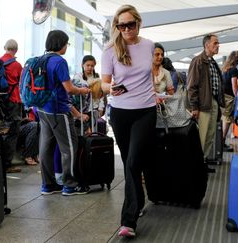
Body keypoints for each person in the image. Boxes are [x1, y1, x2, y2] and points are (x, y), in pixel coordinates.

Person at [101, 5, 156, 238]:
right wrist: (110, 87)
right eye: (121, 25)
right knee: (129, 162)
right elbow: (103, 83)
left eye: (130, 24)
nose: (126, 29)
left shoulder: (149, 45)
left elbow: (149, 76)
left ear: (138, 23)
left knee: (133, 162)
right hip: (120, 113)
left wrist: (156, 94)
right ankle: (138, 199)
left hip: (145, 110)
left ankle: (128, 221)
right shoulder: (110, 50)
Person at [38, 30, 91, 196]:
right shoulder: (59, 61)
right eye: (67, 43)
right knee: (69, 146)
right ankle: (70, 184)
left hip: (42, 108)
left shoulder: (41, 59)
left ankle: (48, 185)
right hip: (58, 110)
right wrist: (82, 90)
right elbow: (69, 88)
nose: (67, 46)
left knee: (46, 147)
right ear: (61, 43)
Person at [187, 33, 225, 170]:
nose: (218, 45)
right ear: (206, 45)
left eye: (218, 43)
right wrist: (194, 107)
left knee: (210, 136)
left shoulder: (213, 62)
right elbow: (191, 86)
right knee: (201, 137)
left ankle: (202, 162)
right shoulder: (198, 61)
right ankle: (195, 166)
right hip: (203, 105)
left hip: (213, 103)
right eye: (215, 43)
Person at [0, 39, 24, 173]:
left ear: (5, 47)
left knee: (3, 130)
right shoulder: (16, 65)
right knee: (13, 131)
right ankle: (7, 164)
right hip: (13, 100)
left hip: (1, 100)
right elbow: (22, 83)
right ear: (16, 50)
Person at [221, 50, 238, 151]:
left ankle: (220, 142)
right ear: (236, 59)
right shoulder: (234, 70)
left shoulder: (225, 69)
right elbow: (234, 85)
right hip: (229, 97)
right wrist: (237, 97)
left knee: (226, 119)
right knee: (227, 120)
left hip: (223, 96)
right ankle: (222, 142)